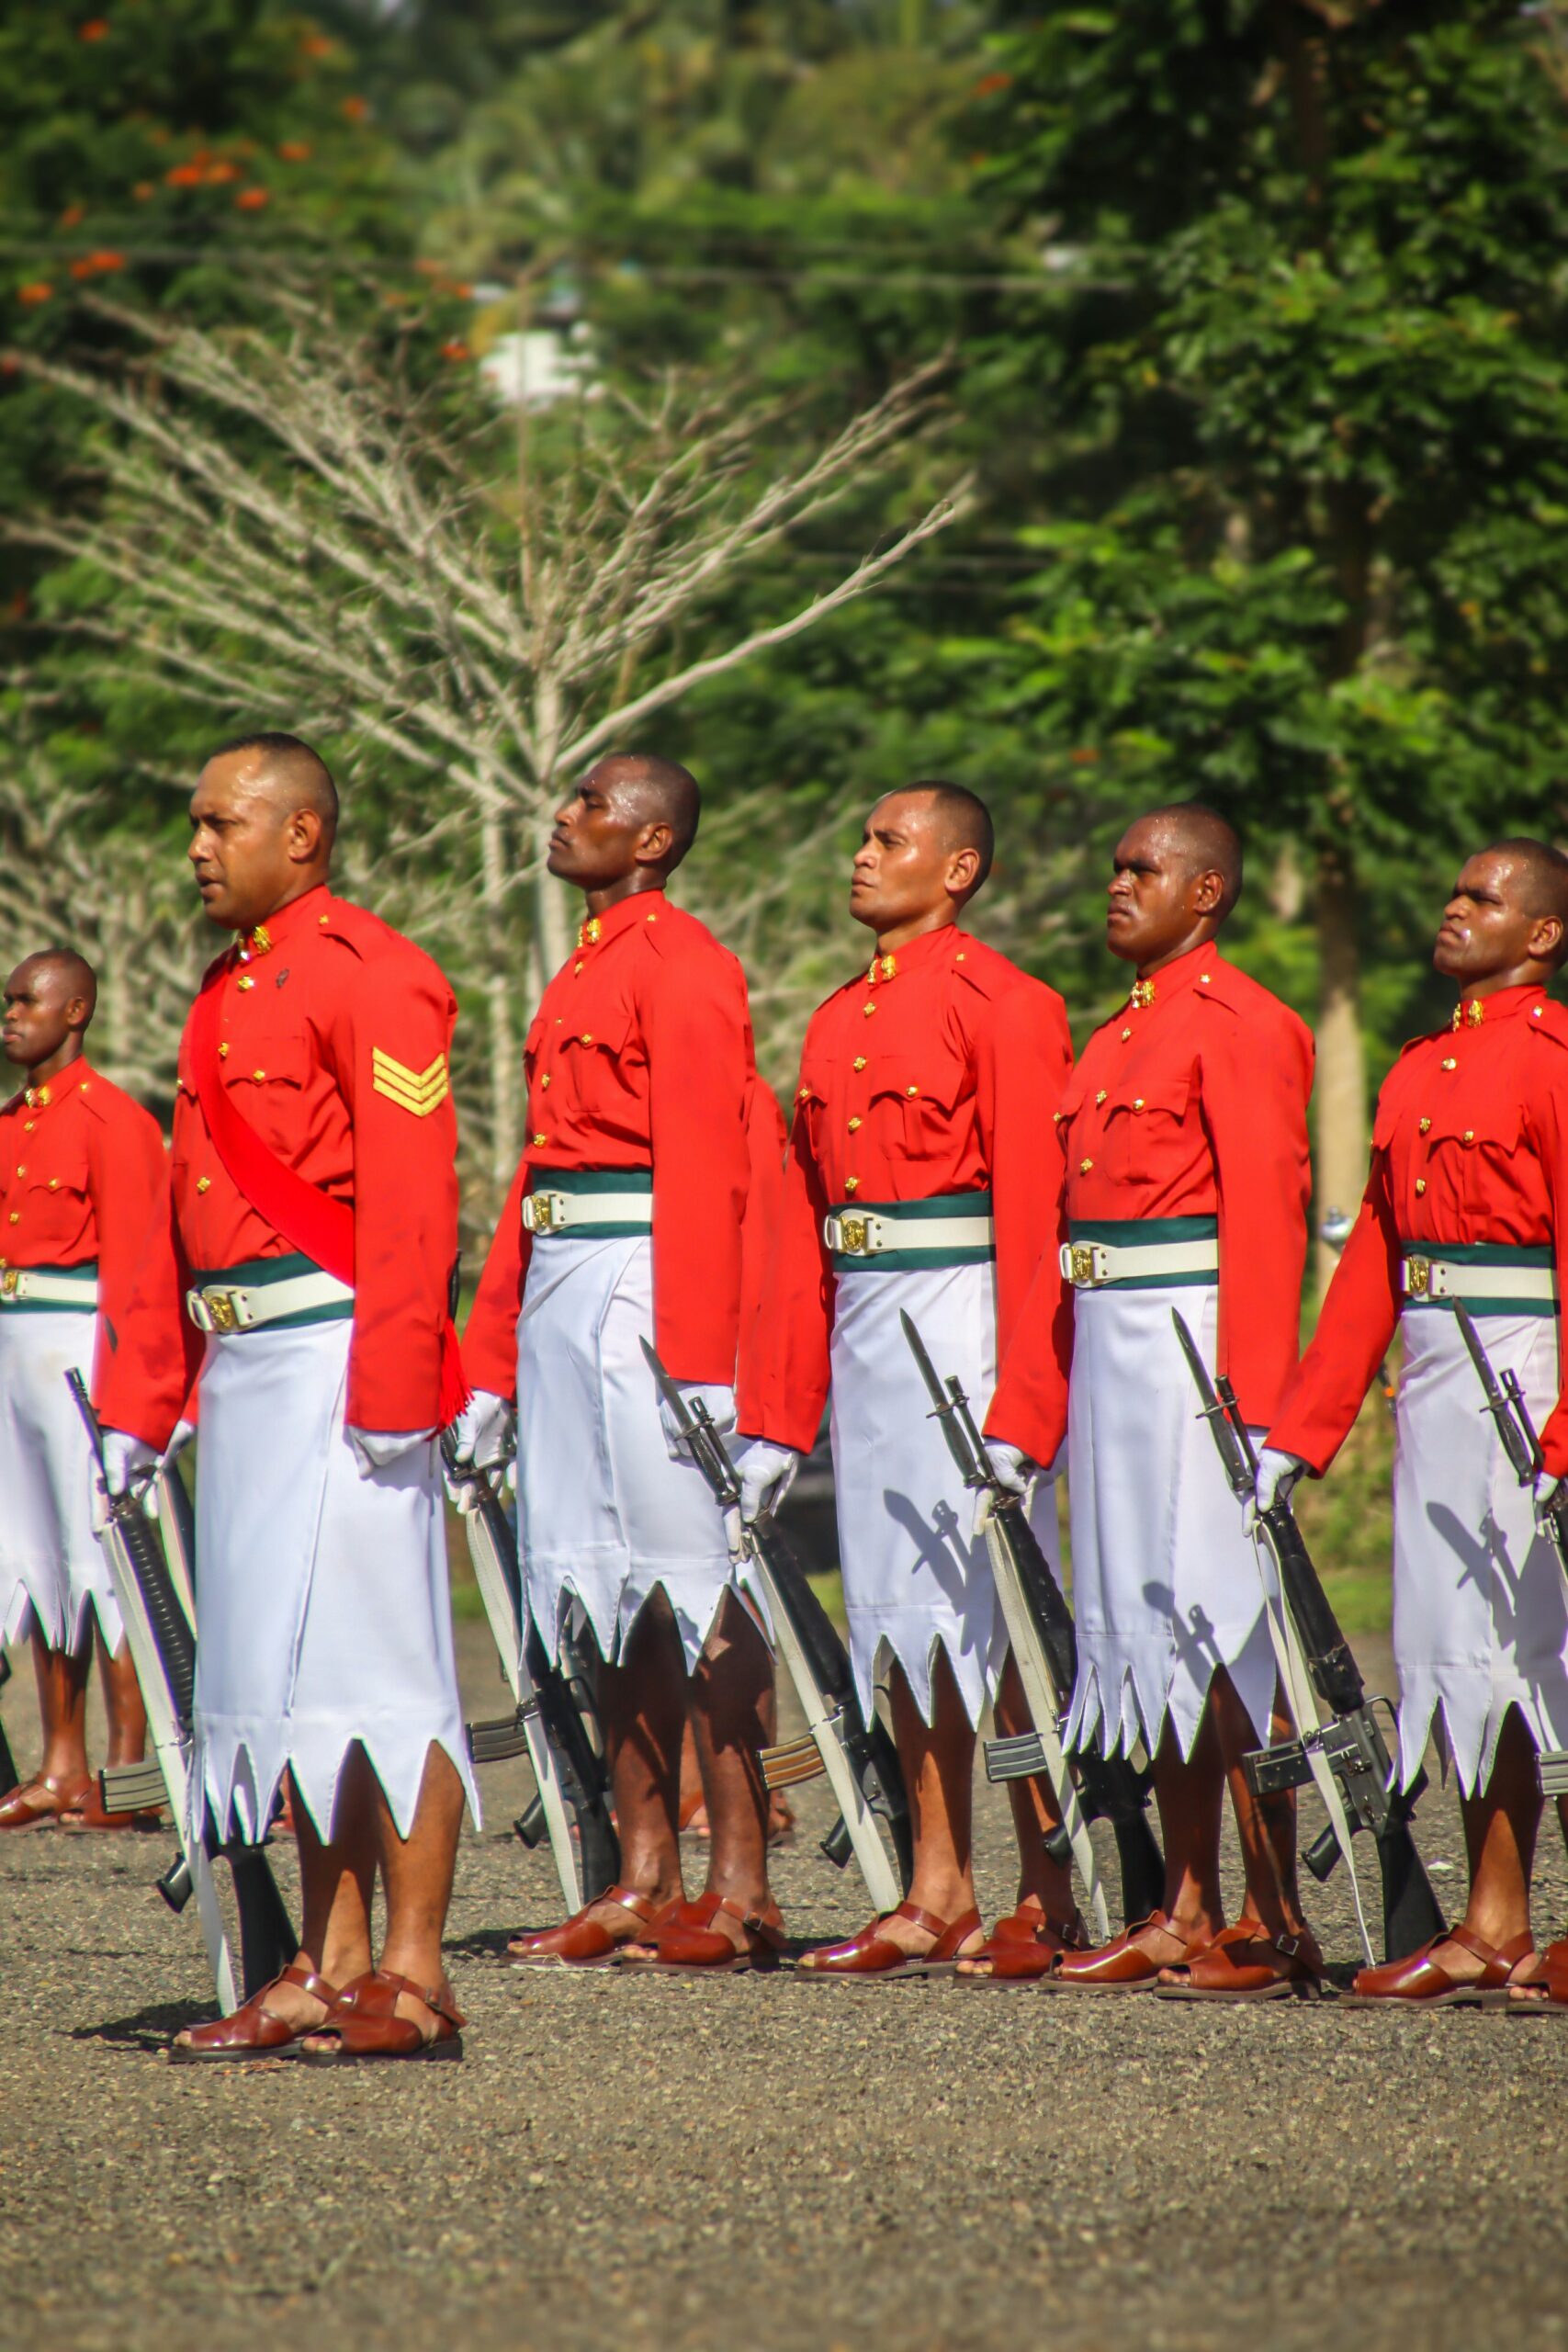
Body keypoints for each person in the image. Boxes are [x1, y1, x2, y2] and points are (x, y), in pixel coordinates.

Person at [96, 731, 476, 2062]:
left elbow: (414, 1198)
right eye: (192, 824)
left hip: (337, 1355)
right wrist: (143, 1404)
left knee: (388, 1668)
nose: (195, 846)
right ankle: (323, 1962)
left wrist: (401, 1384)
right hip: (247, 1371)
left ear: (299, 834)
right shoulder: (221, 990)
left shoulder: (377, 975)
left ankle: (416, 1975)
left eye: (218, 823)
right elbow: (175, 1215)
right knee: (276, 1678)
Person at [737, 781, 1078, 1977]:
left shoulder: (1008, 1006)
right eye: (862, 837)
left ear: (958, 872)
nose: (859, 856)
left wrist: (1026, 1398)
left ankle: (1049, 1885)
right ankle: (936, 1886)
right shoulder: (834, 1020)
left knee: (994, 1609)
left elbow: (1037, 1214)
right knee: (899, 1617)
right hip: (867, 1323)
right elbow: (802, 1221)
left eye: (889, 842)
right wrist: (781, 1409)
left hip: (963, 1307)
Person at [457, 752, 785, 1973]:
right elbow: (539, 1173)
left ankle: (741, 1884)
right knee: (600, 1589)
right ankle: (639, 1875)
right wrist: (488, 1361)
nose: (565, 814)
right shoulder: (584, 964)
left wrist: (702, 1357)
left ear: (650, 841)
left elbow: (708, 1167)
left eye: (593, 803)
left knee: (694, 1581)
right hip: (562, 1281)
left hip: (647, 1283)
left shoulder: (684, 966)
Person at [986, 803, 1320, 1998]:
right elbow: (1066, 1243)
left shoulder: (1242, 1023)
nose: (1116, 885)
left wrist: (1251, 1405)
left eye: (1143, 870)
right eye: (1114, 867)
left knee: (1226, 1626)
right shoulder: (1113, 1034)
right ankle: (1181, 1905)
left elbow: (1264, 1226)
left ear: (1207, 894)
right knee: (1140, 1627)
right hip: (1109, 1353)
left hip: (1189, 1345)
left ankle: (1269, 1914)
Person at [1262, 841, 1568, 2007]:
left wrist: (1566, 1431)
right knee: (1452, 1650)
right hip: (1439, 1374)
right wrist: (1302, 1430)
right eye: (1453, 889)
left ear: (1540, 933)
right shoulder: (1421, 1064)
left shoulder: (1552, 1058)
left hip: (1526, 1366)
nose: (1454, 908)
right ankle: (1491, 1923)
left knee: (1534, 1648)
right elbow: (1376, 1265)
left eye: (1482, 897)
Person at [0, 950, 164, 1830]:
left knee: (103, 1563)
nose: (13, 1014)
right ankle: (60, 1764)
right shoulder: (8, 1124)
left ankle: (126, 1771)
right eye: (9, 1001)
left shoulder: (115, 1120)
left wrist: (139, 1398)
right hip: (12, 1345)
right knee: (36, 1556)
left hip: (80, 1349)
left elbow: (140, 1268)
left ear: (78, 1012)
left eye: (30, 1001)